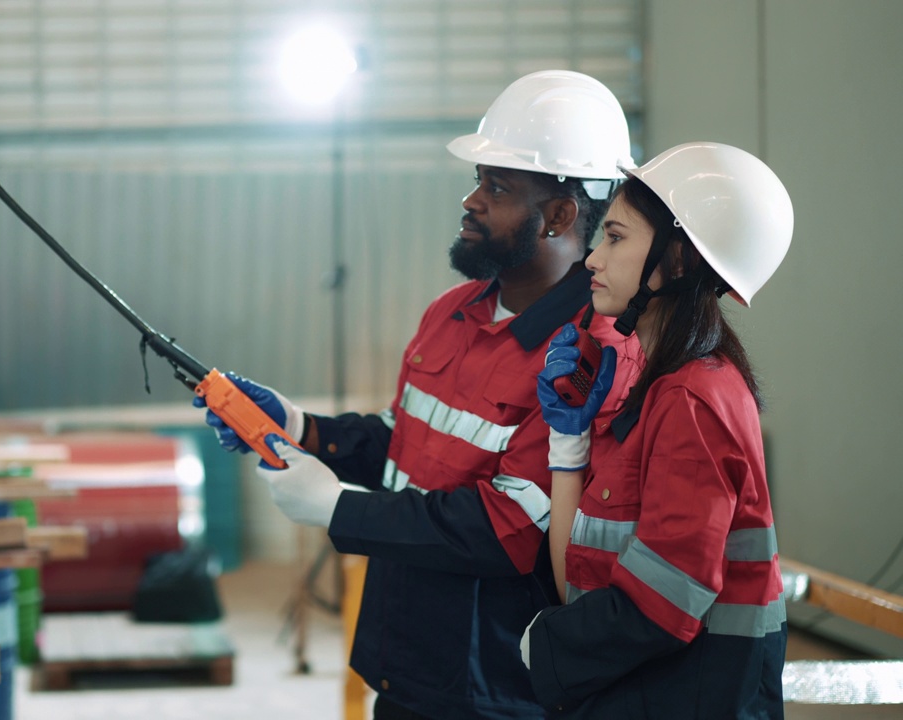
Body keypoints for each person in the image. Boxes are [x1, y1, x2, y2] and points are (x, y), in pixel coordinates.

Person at [196, 70, 641, 719]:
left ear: (561, 215)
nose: (471, 201)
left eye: (498, 187)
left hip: (491, 687)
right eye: (478, 180)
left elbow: (507, 529)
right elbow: (404, 437)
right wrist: (300, 426)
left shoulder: (587, 354)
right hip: (404, 661)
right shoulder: (452, 312)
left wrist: (340, 510)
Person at [525, 142, 792, 718]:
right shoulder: (660, 385)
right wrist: (568, 442)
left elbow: (662, 604)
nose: (593, 259)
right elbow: (583, 573)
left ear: (679, 258)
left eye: (616, 238)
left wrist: (544, 644)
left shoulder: (692, 397)